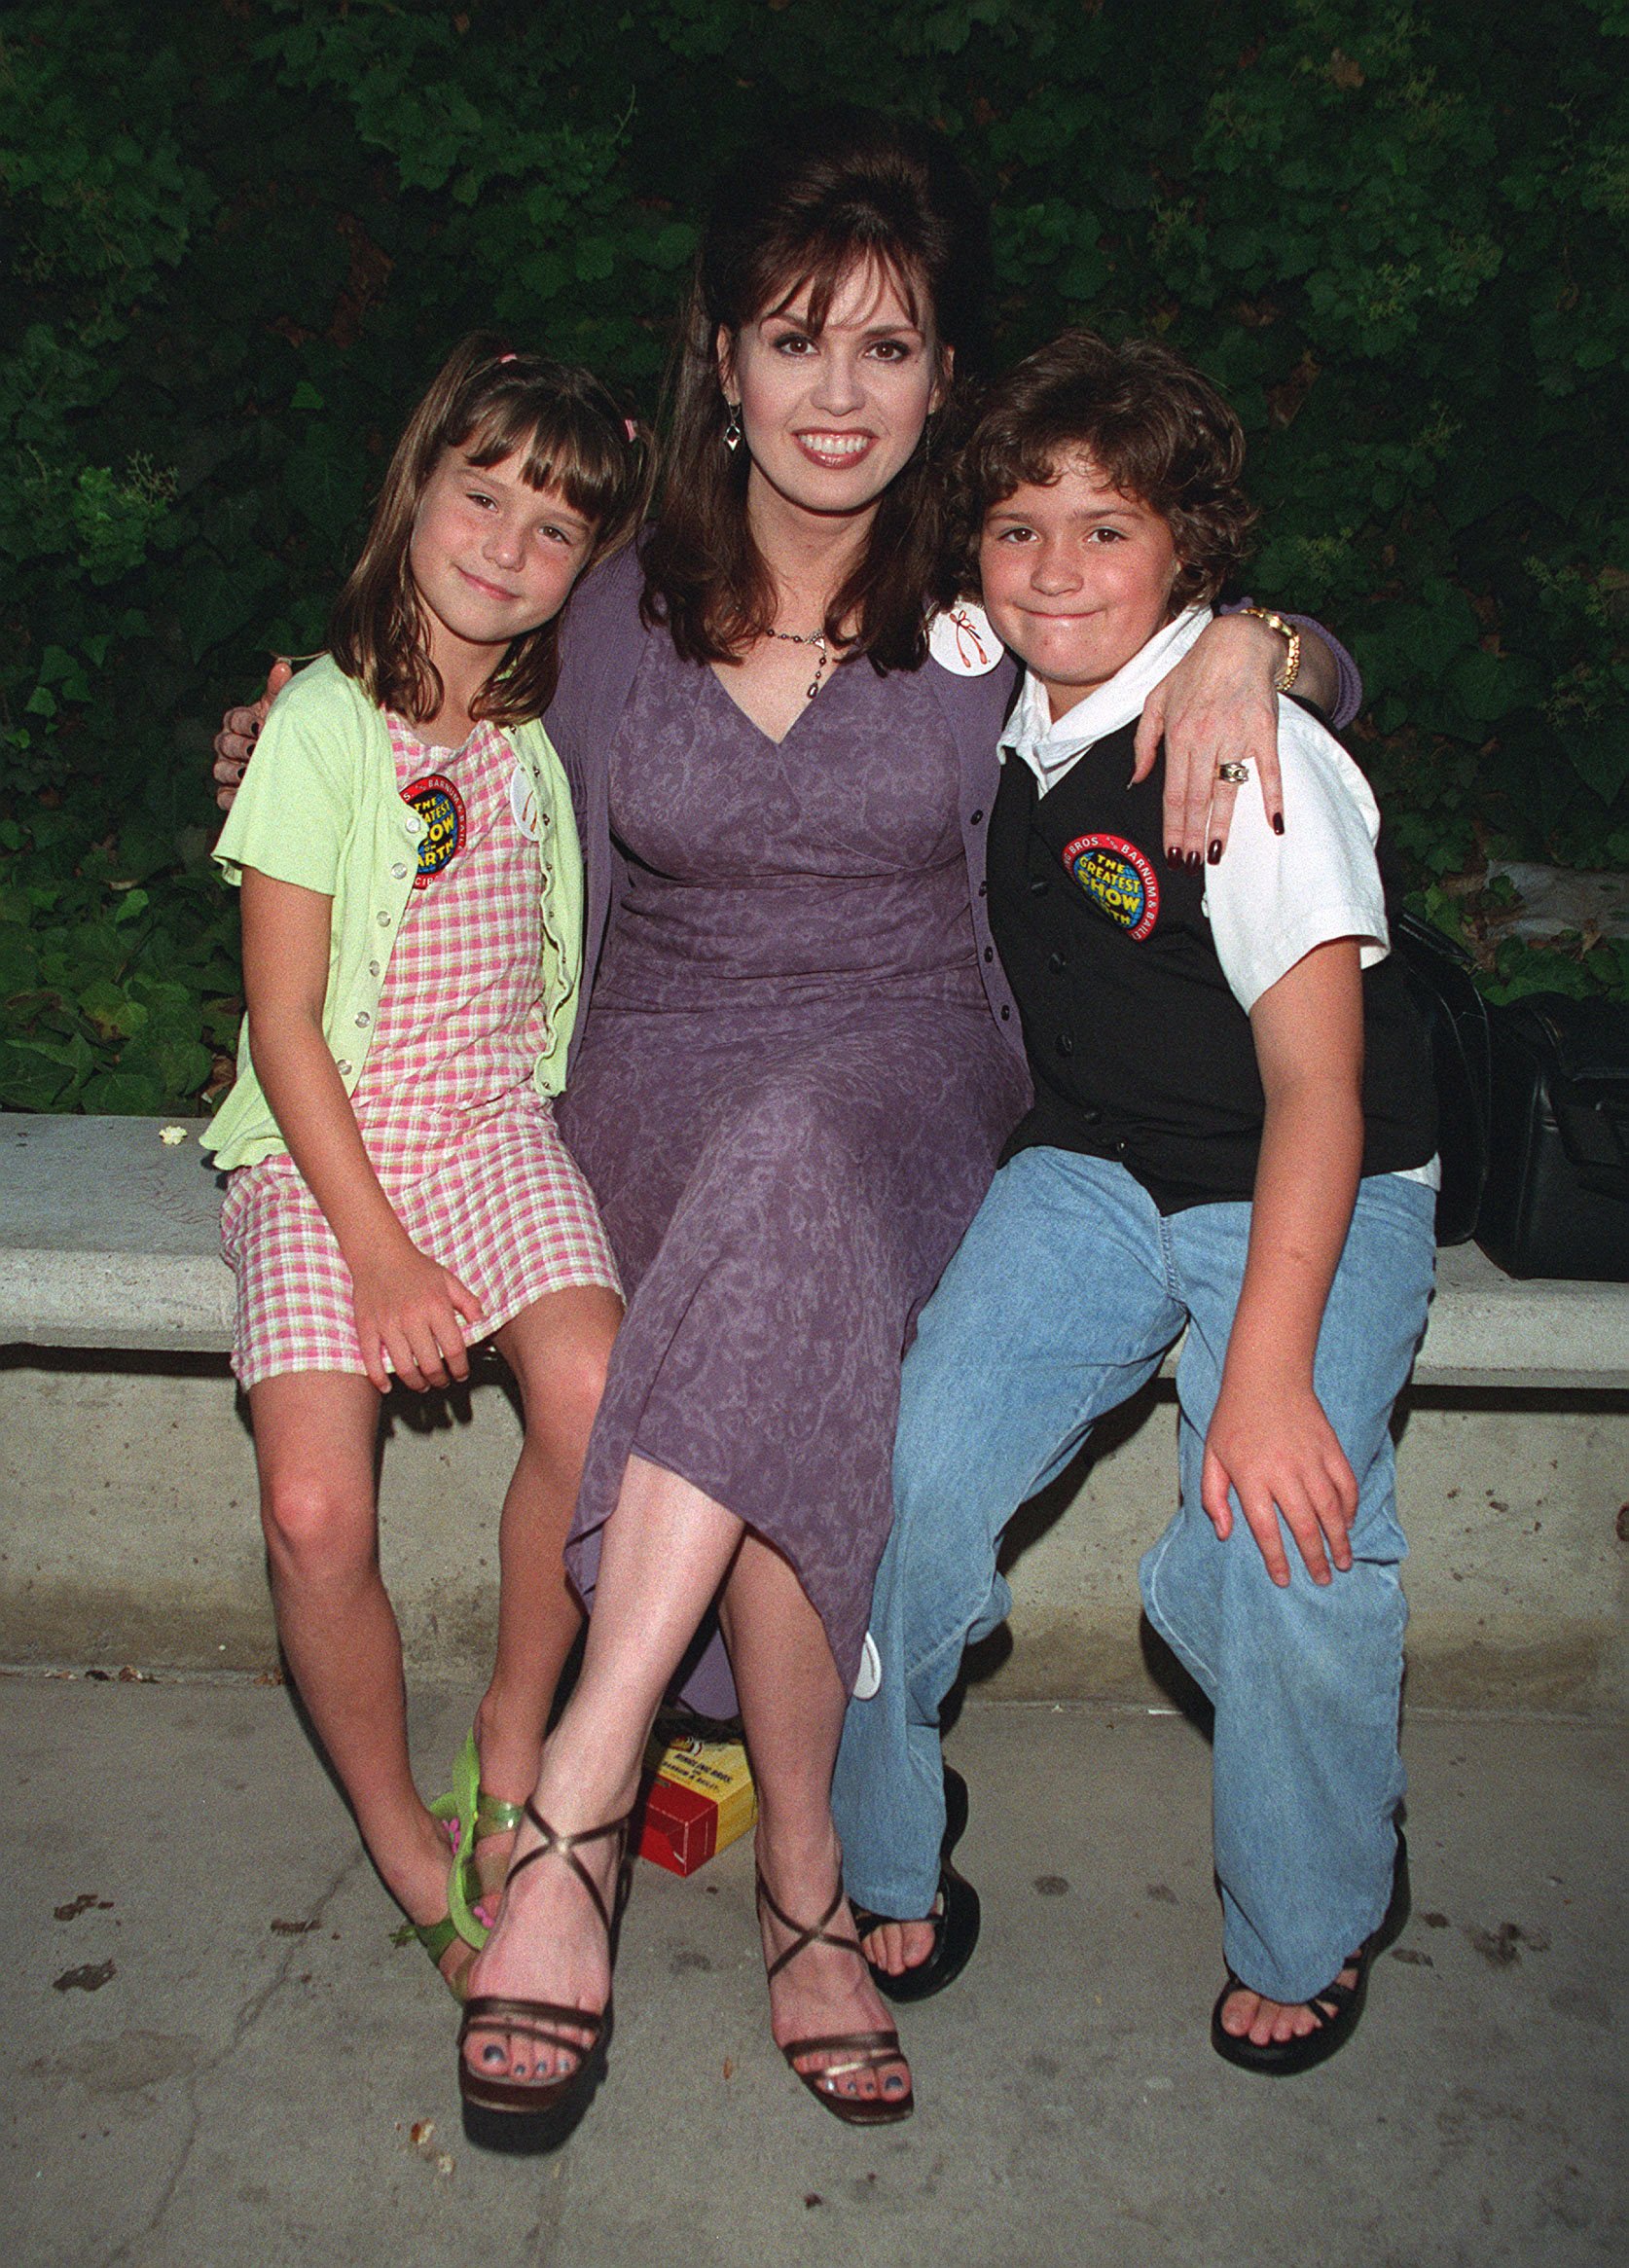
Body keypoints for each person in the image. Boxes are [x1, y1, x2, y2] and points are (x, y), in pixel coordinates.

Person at [212, 115, 1358, 2127]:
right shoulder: (607, 603)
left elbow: (1217, 633)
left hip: (917, 1060)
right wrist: (277, 718)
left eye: (892, 348)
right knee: (758, 1211)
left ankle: (582, 1792)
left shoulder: (988, 600)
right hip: (644, 1070)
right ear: (721, 358)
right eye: (795, 339)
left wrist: (1276, 655)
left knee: (801, 1167)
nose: (841, 394)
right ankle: (805, 1887)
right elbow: (410, 717)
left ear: (944, 378)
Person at [831, 329, 1438, 2075]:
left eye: (1109, 530)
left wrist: (1260, 1377)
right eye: (1020, 527)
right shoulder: (992, 655)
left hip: (1304, 1172)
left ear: (1189, 549)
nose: (1057, 568)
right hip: (1091, 1158)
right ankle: (888, 1839)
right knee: (910, 1468)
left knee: (1282, 1528)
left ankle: (1317, 1899)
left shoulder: (1238, 750)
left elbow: (1319, 1089)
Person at [203, 336, 650, 1998]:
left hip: (487, 1128)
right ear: (417, 492)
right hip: (326, 1149)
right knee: (316, 1509)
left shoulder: (536, 738)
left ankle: (515, 1734)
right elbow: (285, 1025)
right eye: (482, 499)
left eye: (552, 530)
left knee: (598, 1390)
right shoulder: (321, 723)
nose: (506, 549)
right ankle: (402, 1836)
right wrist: (380, 1255)